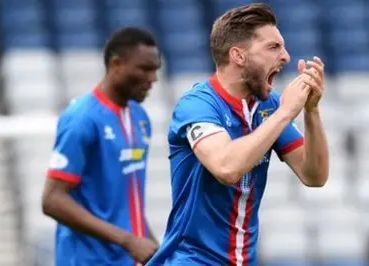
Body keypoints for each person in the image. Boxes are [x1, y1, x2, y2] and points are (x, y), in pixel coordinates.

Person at [148, 3, 330, 266]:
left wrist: (311, 112)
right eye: (273, 47)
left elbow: (314, 176)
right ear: (238, 56)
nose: (286, 57)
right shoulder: (198, 104)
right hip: (191, 260)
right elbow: (226, 167)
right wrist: (285, 114)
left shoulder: (267, 107)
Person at [42, 27, 162, 266]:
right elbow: (52, 200)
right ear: (116, 64)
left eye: (155, 70)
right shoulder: (82, 118)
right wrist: (128, 240)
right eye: (145, 69)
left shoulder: (139, 118)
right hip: (87, 260)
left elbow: (126, 199)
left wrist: (153, 247)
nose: (153, 79)